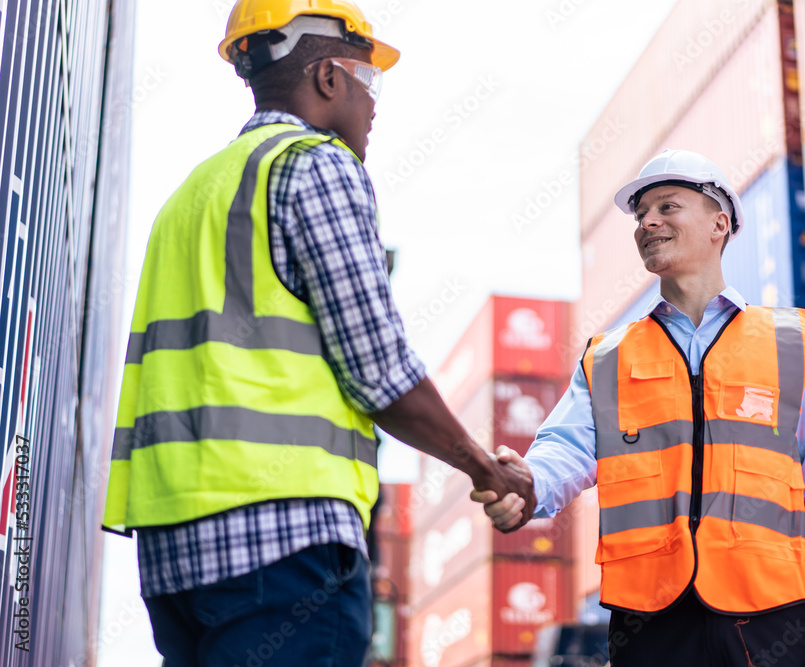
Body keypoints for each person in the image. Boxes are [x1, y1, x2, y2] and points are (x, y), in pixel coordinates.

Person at [101, 2, 532, 665]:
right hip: (284, 541)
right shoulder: (315, 165)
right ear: (329, 76)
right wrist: (482, 465)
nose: (373, 103)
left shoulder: (188, 196)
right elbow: (378, 368)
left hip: (172, 551)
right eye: (368, 79)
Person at [474, 150, 805, 667]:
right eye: (641, 216)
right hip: (651, 625)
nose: (648, 223)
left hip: (773, 617)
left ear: (719, 223)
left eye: (667, 206)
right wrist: (525, 484)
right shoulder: (610, 358)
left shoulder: (790, 344)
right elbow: (562, 453)